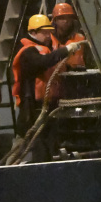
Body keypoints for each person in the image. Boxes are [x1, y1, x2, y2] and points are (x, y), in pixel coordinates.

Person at [11, 14, 80, 148]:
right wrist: (65, 50)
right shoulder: (28, 52)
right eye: (44, 32)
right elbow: (43, 62)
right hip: (33, 109)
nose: (48, 35)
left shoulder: (44, 50)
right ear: (33, 32)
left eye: (49, 32)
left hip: (46, 106)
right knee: (34, 145)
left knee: (48, 143)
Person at [50, 2, 87, 100]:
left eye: (68, 18)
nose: (65, 21)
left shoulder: (81, 39)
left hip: (76, 83)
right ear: (55, 20)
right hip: (54, 85)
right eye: (62, 18)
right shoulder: (48, 41)